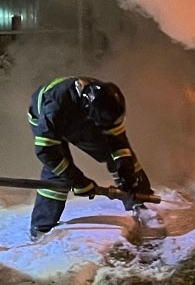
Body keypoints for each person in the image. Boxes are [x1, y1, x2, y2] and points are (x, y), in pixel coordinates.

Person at [27, 76, 154, 241]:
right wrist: (77, 181)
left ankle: (141, 202)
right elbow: (46, 151)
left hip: (82, 117)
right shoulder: (56, 105)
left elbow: (119, 146)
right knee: (57, 171)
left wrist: (128, 178)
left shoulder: (107, 103)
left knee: (122, 157)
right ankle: (42, 227)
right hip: (45, 120)